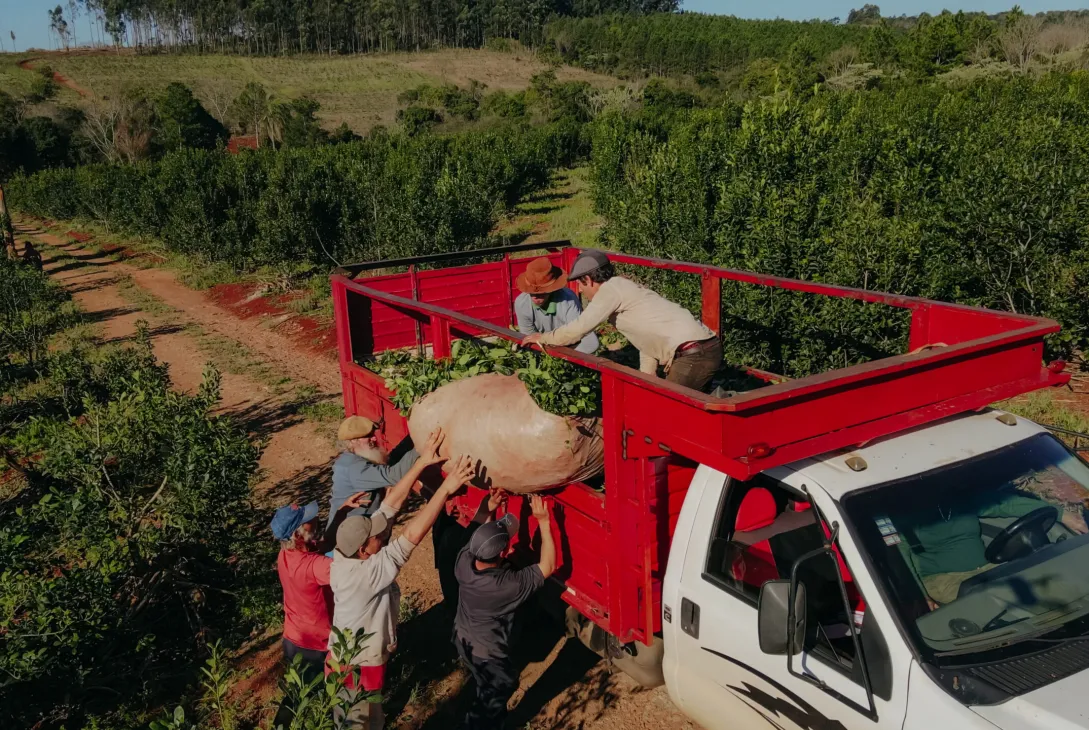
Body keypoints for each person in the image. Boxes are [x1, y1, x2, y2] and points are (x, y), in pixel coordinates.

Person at [329, 431, 476, 730]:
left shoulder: (343, 554)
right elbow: (412, 535)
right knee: (354, 723)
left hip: (349, 657)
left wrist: (421, 463)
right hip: (356, 665)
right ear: (363, 549)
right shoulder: (370, 574)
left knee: (372, 713)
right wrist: (445, 489)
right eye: (376, 537)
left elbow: (389, 507)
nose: (382, 535)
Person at [522, 250, 723, 392]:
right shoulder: (623, 287)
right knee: (674, 407)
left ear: (589, 280)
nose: (581, 291)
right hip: (703, 349)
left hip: (693, 355)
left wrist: (544, 338)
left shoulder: (609, 292)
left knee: (667, 413)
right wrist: (647, 376)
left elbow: (579, 328)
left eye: (581, 286)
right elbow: (646, 338)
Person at [269, 490, 370, 730]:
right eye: (309, 521)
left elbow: (324, 543)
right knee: (327, 692)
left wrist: (343, 511)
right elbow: (350, 573)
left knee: (300, 692)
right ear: (298, 534)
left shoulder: (286, 554)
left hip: (294, 638)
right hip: (316, 644)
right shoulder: (315, 567)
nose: (316, 521)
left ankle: (284, 726)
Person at [453, 492, 556, 729]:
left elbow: (477, 527)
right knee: (496, 693)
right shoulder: (506, 586)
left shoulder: (464, 562)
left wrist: (488, 506)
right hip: (488, 653)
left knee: (483, 682)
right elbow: (548, 566)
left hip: (464, 639)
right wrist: (544, 521)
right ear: (502, 554)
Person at [329, 415, 420, 525]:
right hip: (356, 535)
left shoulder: (349, 459)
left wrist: (415, 435)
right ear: (353, 441)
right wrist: (420, 445)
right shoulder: (355, 468)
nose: (374, 438)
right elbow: (394, 475)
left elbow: (391, 462)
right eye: (369, 436)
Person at [513, 257, 599, 355]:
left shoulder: (568, 300)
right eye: (531, 292)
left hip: (569, 345)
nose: (535, 297)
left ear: (552, 289)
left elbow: (588, 340)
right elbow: (530, 337)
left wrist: (565, 359)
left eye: (542, 293)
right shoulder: (522, 303)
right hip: (542, 347)